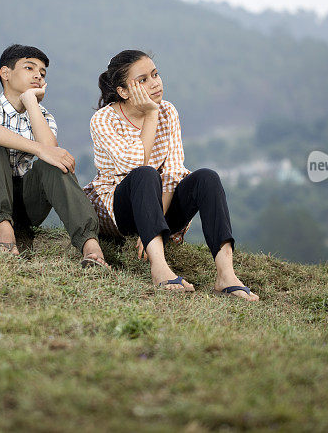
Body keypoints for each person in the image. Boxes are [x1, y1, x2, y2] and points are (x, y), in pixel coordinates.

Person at [83, 50, 259, 300]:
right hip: (120, 210)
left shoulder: (169, 111)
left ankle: (226, 274)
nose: (154, 83)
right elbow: (134, 164)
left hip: (158, 208)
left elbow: (174, 172)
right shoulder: (103, 119)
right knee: (145, 174)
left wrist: (156, 224)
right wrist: (151, 113)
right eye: (142, 80)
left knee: (207, 178)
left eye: (155, 74)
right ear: (123, 91)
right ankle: (160, 268)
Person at [0, 44, 109, 268]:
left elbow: (52, 154)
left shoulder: (43, 116)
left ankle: (91, 247)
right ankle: (3, 235)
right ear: (5, 73)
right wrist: (39, 149)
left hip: (23, 209)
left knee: (53, 163)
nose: (37, 75)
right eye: (29, 68)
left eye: (42, 73)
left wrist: (31, 103)